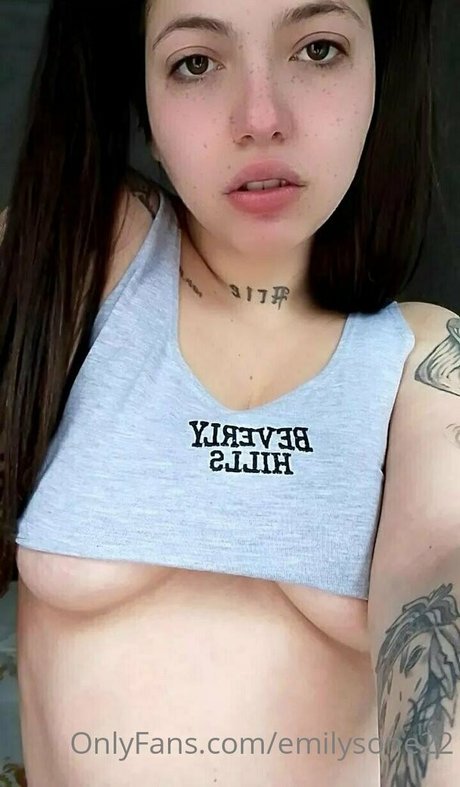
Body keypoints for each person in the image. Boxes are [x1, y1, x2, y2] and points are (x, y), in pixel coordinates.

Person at [2, 0, 460, 785]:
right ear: (143, 97)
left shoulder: (424, 362)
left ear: (382, 70)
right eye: (196, 62)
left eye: (318, 49)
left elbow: (442, 568)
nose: (261, 119)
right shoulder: (73, 263)